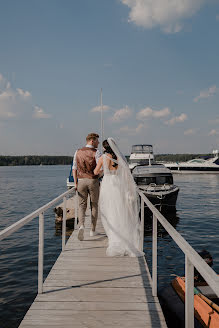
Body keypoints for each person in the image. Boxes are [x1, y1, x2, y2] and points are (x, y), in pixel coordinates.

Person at [94, 138, 143, 257]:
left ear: (105, 148)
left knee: (109, 210)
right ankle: (123, 237)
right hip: (118, 186)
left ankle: (114, 239)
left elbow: (96, 172)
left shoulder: (103, 158)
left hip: (108, 185)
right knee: (120, 210)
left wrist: (103, 171)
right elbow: (126, 174)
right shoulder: (119, 158)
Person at [73, 133, 101, 241]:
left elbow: (74, 168)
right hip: (93, 181)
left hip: (80, 181)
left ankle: (81, 225)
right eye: (97, 141)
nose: (98, 142)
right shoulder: (96, 152)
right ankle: (92, 230)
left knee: (81, 205)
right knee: (94, 205)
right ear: (92, 141)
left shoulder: (77, 151)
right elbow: (98, 168)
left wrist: (76, 183)